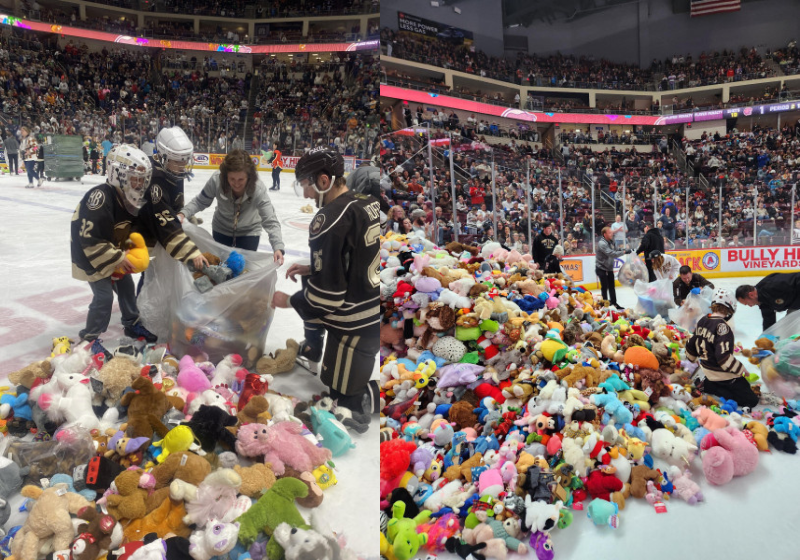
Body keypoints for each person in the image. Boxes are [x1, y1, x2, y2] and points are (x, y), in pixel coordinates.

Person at [271, 147, 380, 415]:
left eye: (306, 185)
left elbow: (326, 298)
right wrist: (316, 268)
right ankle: (314, 346)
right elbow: (359, 255)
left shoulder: (329, 218)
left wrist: (288, 301)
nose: (306, 194)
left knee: (343, 402)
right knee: (310, 277)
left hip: (355, 324)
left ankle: (375, 394)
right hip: (374, 309)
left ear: (323, 180)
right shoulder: (367, 201)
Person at [71, 144, 209, 356]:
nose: (141, 184)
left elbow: (155, 223)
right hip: (92, 257)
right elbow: (89, 239)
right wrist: (117, 258)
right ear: (117, 174)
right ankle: (89, 338)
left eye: (143, 179)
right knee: (104, 297)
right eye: (135, 178)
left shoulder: (131, 197)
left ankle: (131, 323)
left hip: (116, 254)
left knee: (126, 287)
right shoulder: (99, 198)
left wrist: (181, 222)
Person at [178, 150, 285, 262]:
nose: (236, 184)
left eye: (241, 179)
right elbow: (200, 201)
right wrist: (183, 213)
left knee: (244, 267)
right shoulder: (216, 180)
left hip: (249, 232)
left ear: (249, 177)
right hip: (221, 229)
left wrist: (278, 247)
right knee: (220, 266)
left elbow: (270, 220)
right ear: (225, 176)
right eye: (232, 179)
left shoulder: (257, 188)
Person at [686, 289, 759, 409]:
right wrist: (741, 368)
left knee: (739, 385)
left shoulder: (703, 320)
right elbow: (723, 358)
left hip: (707, 369)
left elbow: (691, 342)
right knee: (752, 400)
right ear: (731, 307)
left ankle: (709, 384)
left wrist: (691, 357)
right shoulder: (723, 328)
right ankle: (713, 387)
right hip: (721, 374)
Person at [597, 226, 630, 310]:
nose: (612, 234)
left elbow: (616, 249)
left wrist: (624, 249)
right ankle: (605, 305)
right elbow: (611, 253)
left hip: (609, 268)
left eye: (611, 232)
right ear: (604, 234)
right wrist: (624, 252)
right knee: (604, 287)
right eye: (609, 233)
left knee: (612, 286)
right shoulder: (602, 243)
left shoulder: (611, 242)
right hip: (602, 268)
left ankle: (614, 303)